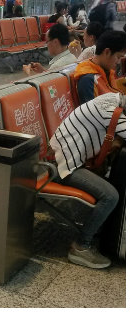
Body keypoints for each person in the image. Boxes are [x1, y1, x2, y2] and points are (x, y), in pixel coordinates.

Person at [48, 91, 125, 269]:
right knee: (110, 195)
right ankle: (81, 246)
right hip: (62, 166)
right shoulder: (108, 109)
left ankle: (98, 229)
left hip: (69, 160)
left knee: (113, 183)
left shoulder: (111, 100)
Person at [69, 29, 125, 102]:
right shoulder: (88, 80)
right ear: (107, 52)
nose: (118, 62)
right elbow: (92, 112)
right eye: (118, 57)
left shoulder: (105, 70)